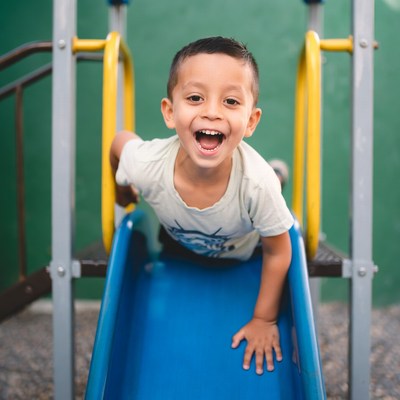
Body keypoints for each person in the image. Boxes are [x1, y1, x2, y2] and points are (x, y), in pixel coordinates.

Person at [110, 36, 294, 375]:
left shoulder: (257, 184)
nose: (211, 111)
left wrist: (264, 318)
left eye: (230, 102)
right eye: (195, 98)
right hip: (179, 247)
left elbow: (279, 252)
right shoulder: (148, 164)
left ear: (251, 121)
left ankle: (279, 174)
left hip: (244, 249)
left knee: (266, 188)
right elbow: (120, 143)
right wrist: (122, 191)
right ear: (170, 111)